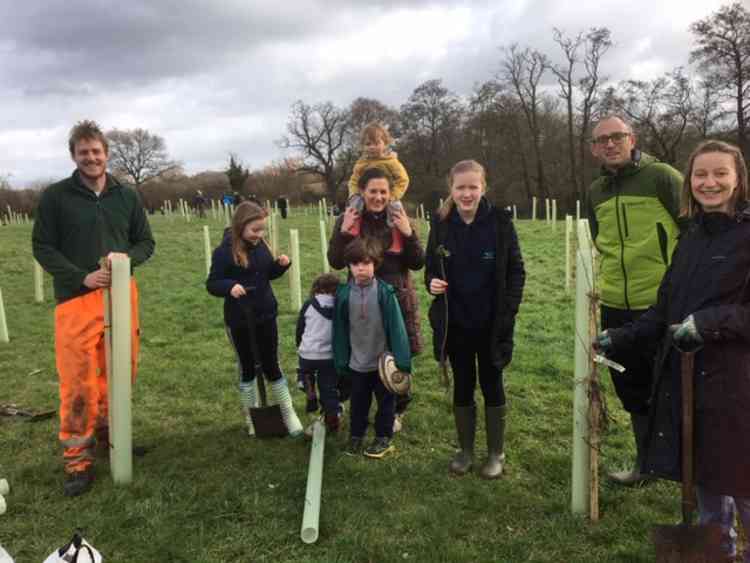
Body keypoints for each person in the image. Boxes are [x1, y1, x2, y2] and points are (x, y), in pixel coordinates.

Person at [594, 140, 750, 561]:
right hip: (692, 384)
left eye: (720, 174)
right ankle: (718, 552)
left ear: (738, 179)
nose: (709, 182)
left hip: (738, 388)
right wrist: (621, 336)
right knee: (708, 482)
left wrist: (709, 323)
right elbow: (665, 308)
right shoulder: (692, 235)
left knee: (743, 482)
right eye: (701, 174)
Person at [32, 120, 155, 496]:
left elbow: (145, 242)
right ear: (74, 156)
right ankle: (78, 462)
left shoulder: (126, 195)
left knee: (121, 371)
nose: (91, 158)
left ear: (106, 154)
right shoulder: (55, 197)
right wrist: (80, 277)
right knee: (78, 380)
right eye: (83, 152)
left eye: (96, 151)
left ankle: (112, 435)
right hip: (76, 301)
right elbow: (43, 246)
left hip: (121, 296)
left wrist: (125, 260)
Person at [586, 115, 683, 486]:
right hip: (614, 305)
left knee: (671, 388)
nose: (610, 144)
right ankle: (647, 466)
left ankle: (685, 468)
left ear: (632, 138)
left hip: (659, 307)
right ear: (594, 148)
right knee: (631, 388)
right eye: (601, 140)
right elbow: (600, 241)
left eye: (617, 137)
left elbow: (691, 232)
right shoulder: (596, 191)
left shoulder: (662, 178)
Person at [424, 160, 525, 479]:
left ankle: (496, 453)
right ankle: (465, 451)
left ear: (484, 188)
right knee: (463, 384)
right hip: (456, 323)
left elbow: (516, 271)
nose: (467, 194)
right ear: (450, 190)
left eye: (473, 187)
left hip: (492, 324)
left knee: (492, 383)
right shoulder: (440, 224)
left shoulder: (500, 222)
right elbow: (430, 268)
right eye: (460, 188)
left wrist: (508, 311)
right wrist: (432, 283)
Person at [328, 167, 424, 433]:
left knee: (397, 354)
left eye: (384, 191)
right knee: (355, 350)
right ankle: (347, 402)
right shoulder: (349, 218)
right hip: (358, 298)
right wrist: (343, 232)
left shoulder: (400, 218)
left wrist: (408, 234)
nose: (379, 197)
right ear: (362, 192)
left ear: (390, 193)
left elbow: (417, 262)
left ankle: (396, 409)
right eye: (373, 191)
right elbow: (335, 261)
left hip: (394, 297)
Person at [206, 201, 303, 438]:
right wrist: (230, 286)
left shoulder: (261, 247)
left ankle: (288, 413)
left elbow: (266, 274)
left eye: (262, 229)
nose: (260, 234)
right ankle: (252, 417)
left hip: (265, 314)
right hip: (239, 319)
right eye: (255, 230)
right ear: (241, 227)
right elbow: (212, 283)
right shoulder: (224, 252)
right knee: (247, 367)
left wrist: (280, 266)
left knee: (272, 364)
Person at [332, 238, 411, 458]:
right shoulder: (344, 295)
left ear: (375, 264)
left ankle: (383, 438)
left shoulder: (385, 293)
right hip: (357, 363)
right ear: (349, 266)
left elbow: (397, 328)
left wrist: (402, 361)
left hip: (383, 364)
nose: (361, 268)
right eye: (356, 264)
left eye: (366, 263)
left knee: (386, 403)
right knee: (358, 402)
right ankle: (356, 436)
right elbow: (338, 331)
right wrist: (340, 359)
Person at [346, 122, 410, 253]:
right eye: (368, 144)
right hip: (365, 195)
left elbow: (403, 179)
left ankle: (396, 241)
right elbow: (354, 179)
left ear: (385, 143)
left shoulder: (391, 162)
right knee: (354, 204)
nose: (372, 147)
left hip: (388, 195)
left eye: (376, 143)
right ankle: (354, 232)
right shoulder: (361, 163)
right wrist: (354, 193)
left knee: (396, 209)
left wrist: (393, 195)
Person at [296, 272, 344, 434]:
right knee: (328, 387)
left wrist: (300, 346)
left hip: (308, 353)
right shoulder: (340, 307)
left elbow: (300, 329)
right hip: (329, 357)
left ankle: (307, 387)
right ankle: (332, 416)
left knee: (305, 372)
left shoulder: (309, 304)